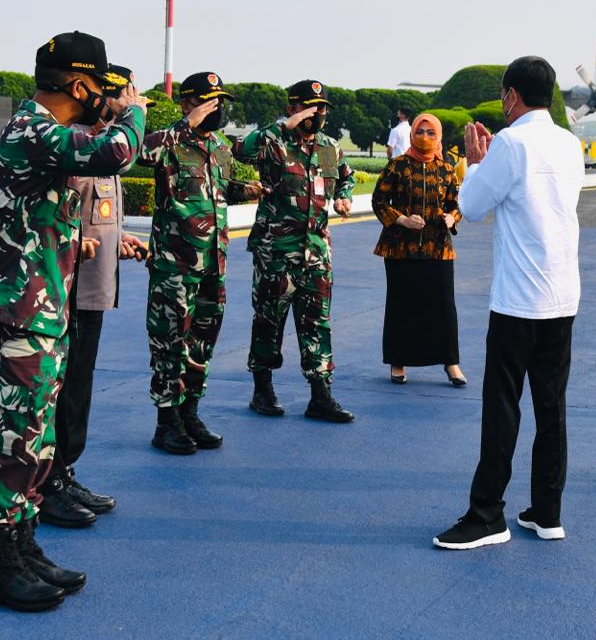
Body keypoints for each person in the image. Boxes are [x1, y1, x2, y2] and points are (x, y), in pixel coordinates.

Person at [0, 31, 147, 612]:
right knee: (8, 446)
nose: (109, 98)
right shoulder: (32, 130)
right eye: (103, 88)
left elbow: (37, 213)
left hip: (36, 314)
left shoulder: (45, 136)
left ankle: (24, 547)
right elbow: (115, 152)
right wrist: (134, 111)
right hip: (12, 318)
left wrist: (73, 242)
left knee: (35, 444)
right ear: (81, 86)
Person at [433, 56, 583, 550]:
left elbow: (472, 207)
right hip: (562, 296)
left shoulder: (511, 144)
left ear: (511, 96)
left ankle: (486, 515)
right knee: (551, 407)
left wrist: (476, 162)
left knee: (502, 407)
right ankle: (547, 510)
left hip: (520, 299)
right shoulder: (569, 143)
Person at [38, 65, 150, 527]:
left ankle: (65, 472)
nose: (132, 100)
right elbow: (58, 212)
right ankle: (50, 481)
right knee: (62, 389)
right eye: (126, 93)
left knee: (79, 387)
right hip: (70, 289)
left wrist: (116, 237)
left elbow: (94, 213)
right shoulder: (80, 144)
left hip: (94, 287)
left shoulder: (101, 144)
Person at [139, 71, 268, 454]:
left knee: (202, 343)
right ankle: (166, 421)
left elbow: (219, 190)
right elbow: (137, 153)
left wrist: (249, 190)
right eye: (209, 101)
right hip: (174, 266)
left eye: (220, 102)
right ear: (187, 104)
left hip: (214, 263)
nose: (217, 108)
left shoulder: (219, 147)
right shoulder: (170, 142)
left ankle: (190, 412)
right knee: (169, 343)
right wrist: (184, 125)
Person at [233, 79, 356, 423]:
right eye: (308, 108)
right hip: (276, 253)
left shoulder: (329, 147)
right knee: (268, 321)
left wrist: (343, 196)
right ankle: (262, 390)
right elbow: (240, 149)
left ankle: (321, 395)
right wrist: (282, 126)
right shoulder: (274, 143)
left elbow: (345, 177)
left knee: (317, 323)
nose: (316, 114)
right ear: (292, 109)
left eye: (321, 108)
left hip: (316, 253)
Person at [371, 113, 466, 387]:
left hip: (438, 248)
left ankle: (451, 362)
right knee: (401, 304)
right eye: (420, 131)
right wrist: (402, 219)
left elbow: (457, 204)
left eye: (430, 132)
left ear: (439, 136)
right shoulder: (397, 166)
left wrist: (452, 218)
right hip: (401, 248)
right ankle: (398, 361)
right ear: (412, 134)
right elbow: (379, 200)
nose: (425, 137)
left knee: (444, 305)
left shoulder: (446, 169)